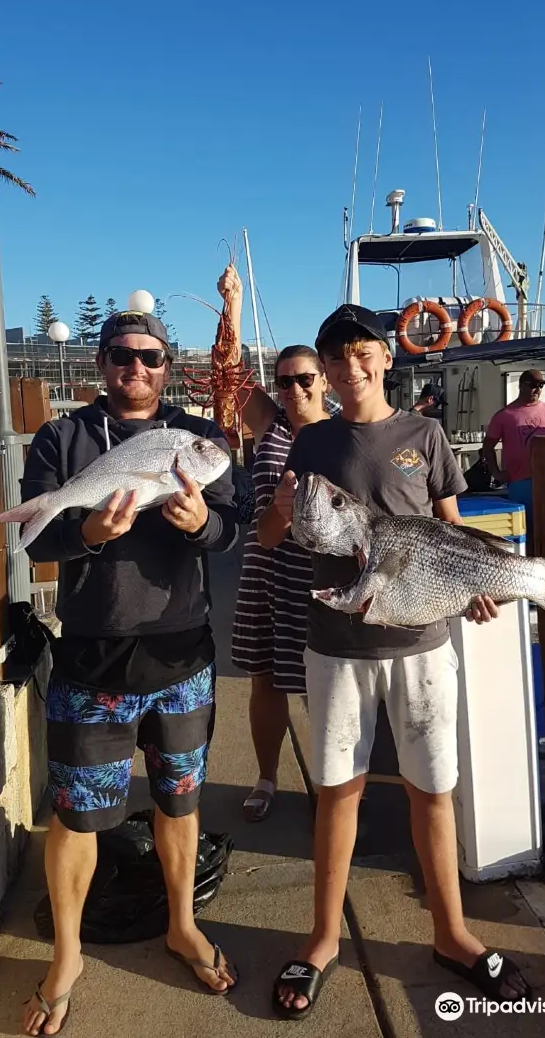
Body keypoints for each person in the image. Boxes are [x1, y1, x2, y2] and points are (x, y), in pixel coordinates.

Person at [259, 304, 531, 1020]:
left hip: (422, 643)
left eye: (360, 354)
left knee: (432, 790)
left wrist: (478, 582)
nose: (349, 368)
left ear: (384, 358)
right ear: (324, 371)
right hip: (335, 644)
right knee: (337, 791)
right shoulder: (309, 443)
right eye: (334, 359)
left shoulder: (426, 433)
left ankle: (451, 932)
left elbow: (451, 525)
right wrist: (283, 510)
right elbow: (266, 537)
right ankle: (322, 938)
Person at [21, 308, 239, 1036]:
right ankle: (68, 955)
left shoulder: (197, 440)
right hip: (92, 655)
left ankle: (181, 924)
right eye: (120, 355)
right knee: (77, 815)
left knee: (180, 802)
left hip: (182, 655)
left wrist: (198, 524)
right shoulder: (62, 437)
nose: (134, 368)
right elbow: (38, 545)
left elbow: (230, 525)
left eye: (148, 357)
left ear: (167, 366)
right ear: (100, 363)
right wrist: (88, 531)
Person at [218, 265, 330, 821]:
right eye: (284, 380)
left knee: (326, 684)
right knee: (264, 679)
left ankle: (333, 787)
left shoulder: (340, 432)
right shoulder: (271, 426)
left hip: (320, 578)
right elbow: (231, 374)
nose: (294, 389)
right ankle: (266, 776)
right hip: (265, 569)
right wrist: (233, 305)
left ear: (324, 380)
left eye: (304, 378)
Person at [482, 370, 545, 545]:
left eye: (541, 386)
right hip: (520, 481)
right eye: (533, 385)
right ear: (521, 386)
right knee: (523, 530)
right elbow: (488, 446)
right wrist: (496, 473)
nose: (537, 389)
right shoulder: (504, 415)